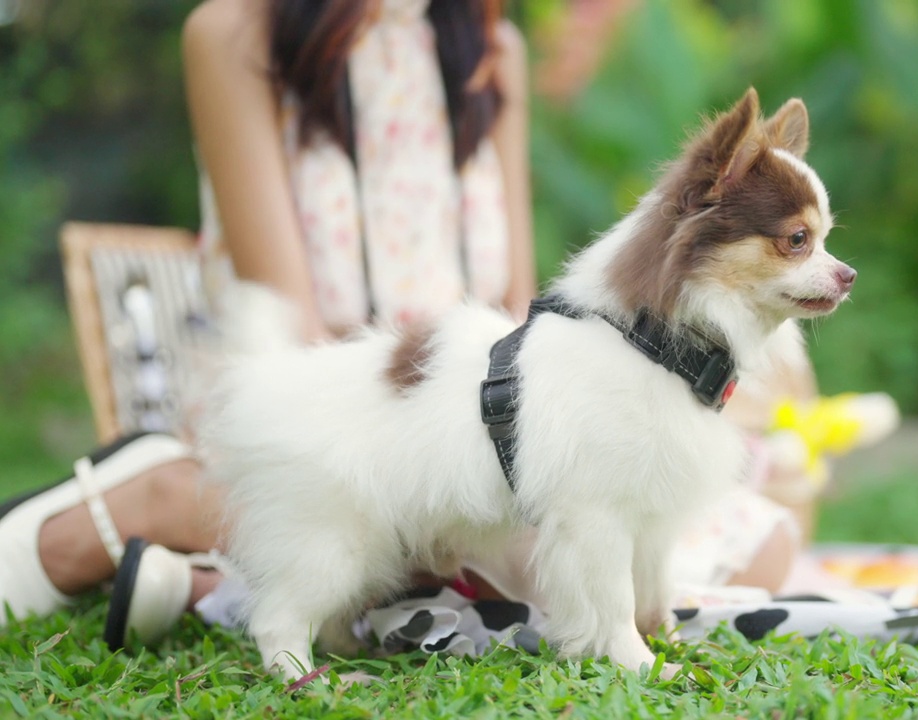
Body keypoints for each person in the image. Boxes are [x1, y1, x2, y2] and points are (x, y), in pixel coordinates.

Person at [0, 0, 806, 650]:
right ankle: (150, 503)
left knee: (743, 533)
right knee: (541, 546)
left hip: (479, 427)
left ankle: (207, 588)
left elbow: (531, 318)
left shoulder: (489, 45)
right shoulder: (234, 29)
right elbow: (289, 322)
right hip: (338, 407)